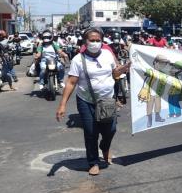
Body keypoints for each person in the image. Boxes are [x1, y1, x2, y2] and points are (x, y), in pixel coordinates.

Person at [56, 27, 131, 176]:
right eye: (92, 40)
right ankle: (93, 162)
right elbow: (71, 82)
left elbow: (115, 72)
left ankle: (105, 147)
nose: (95, 43)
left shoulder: (108, 54)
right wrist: (62, 105)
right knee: (91, 132)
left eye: (98, 40)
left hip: (108, 100)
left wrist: (123, 69)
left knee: (111, 130)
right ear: (85, 41)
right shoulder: (78, 59)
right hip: (86, 100)